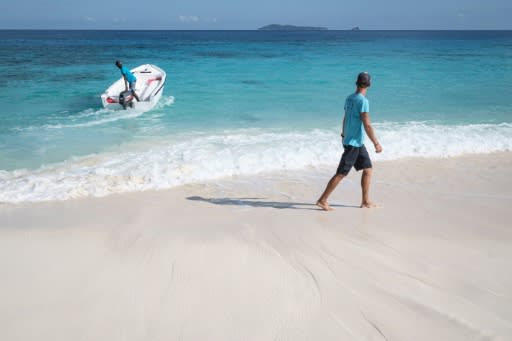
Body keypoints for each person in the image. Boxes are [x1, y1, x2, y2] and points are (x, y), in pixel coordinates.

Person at [316, 72, 383, 211]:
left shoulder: (349, 98)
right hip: (353, 144)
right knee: (341, 173)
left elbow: (345, 117)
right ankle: (322, 200)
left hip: (354, 141)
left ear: (356, 83)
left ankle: (365, 201)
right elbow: (367, 125)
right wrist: (376, 143)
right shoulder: (363, 101)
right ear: (369, 84)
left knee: (368, 169)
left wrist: (343, 133)